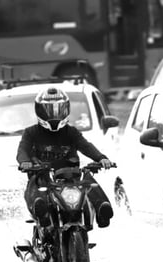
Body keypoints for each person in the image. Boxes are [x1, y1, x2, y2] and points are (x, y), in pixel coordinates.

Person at [17, 87, 115, 228]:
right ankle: (42, 213)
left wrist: (101, 158)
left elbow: (85, 146)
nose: (54, 115)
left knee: (88, 178)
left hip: (70, 177)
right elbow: (22, 150)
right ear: (39, 111)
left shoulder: (71, 132)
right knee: (35, 184)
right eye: (49, 110)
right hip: (43, 177)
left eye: (58, 110)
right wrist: (25, 162)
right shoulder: (31, 132)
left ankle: (102, 209)